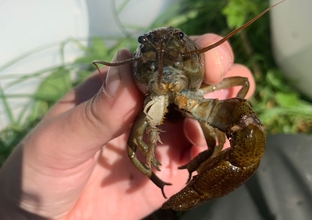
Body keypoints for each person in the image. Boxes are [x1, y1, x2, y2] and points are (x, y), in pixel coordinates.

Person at [0, 34, 255, 220]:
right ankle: (162, 183)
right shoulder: (130, 100)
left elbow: (241, 83)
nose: (165, 64)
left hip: (193, 103)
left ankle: (193, 184)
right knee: (138, 146)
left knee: (239, 138)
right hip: (150, 108)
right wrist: (16, 211)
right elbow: (132, 149)